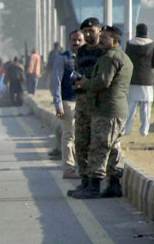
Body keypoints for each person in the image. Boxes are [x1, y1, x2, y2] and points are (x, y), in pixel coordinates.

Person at [71, 26, 132, 199]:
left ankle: (94, 186)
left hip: (107, 110)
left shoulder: (110, 58)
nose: (101, 40)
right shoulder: (122, 57)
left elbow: (103, 81)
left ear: (115, 41)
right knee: (112, 147)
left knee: (99, 146)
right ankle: (114, 185)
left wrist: (85, 83)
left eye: (105, 38)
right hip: (116, 109)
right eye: (102, 37)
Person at [68, 17, 105, 198]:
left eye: (93, 31)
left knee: (97, 143)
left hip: (98, 102)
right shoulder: (81, 52)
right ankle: (84, 180)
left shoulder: (104, 51)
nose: (89, 34)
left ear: (100, 31)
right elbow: (77, 71)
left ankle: (95, 183)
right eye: (86, 32)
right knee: (81, 142)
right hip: (82, 101)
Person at [52, 30, 84, 179]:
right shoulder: (63, 59)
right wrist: (58, 104)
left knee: (82, 136)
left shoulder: (87, 57)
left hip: (84, 102)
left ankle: (82, 167)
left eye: (79, 40)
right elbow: (56, 82)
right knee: (68, 136)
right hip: (68, 101)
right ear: (69, 41)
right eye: (73, 40)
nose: (76, 43)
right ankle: (68, 169)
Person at [124, 23, 154, 137]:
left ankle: (126, 129)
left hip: (133, 78)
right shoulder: (152, 45)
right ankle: (144, 131)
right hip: (147, 79)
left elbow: (126, 61)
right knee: (146, 108)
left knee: (131, 107)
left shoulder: (130, 44)